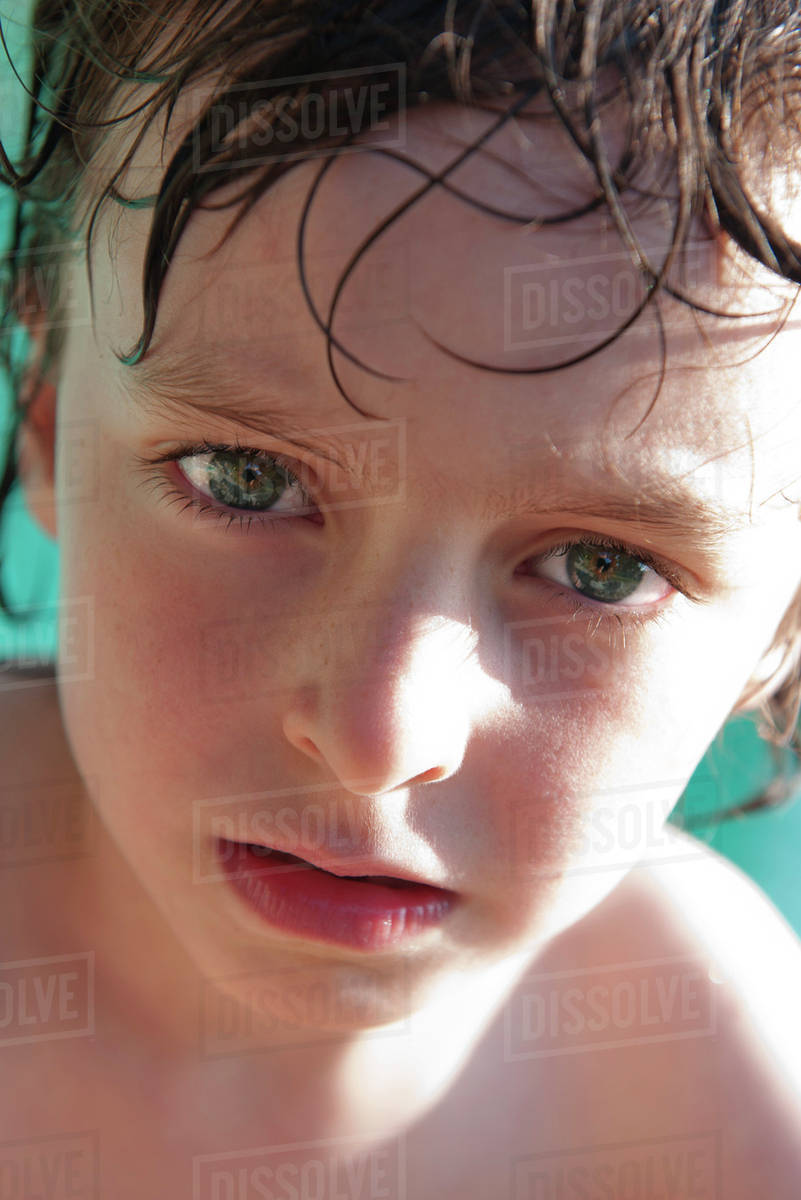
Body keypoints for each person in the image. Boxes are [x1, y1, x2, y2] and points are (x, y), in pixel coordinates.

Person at [1, 1, 801, 1194]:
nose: (378, 738)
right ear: (50, 416)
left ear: (781, 628)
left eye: (602, 568)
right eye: (249, 477)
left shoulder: (714, 1102)